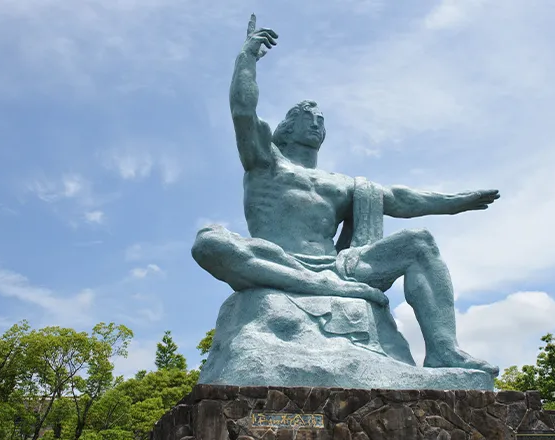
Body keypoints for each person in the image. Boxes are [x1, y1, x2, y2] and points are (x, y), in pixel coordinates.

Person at [192, 15, 499, 374]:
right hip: (276, 258)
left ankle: (445, 350)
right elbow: (243, 111)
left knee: (419, 243)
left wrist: (454, 203)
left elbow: (400, 200)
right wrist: (247, 58)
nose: (317, 120)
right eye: (307, 115)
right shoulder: (265, 162)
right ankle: (308, 284)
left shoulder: (341, 183)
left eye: (321, 118)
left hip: (339, 268)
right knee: (209, 241)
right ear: (286, 127)